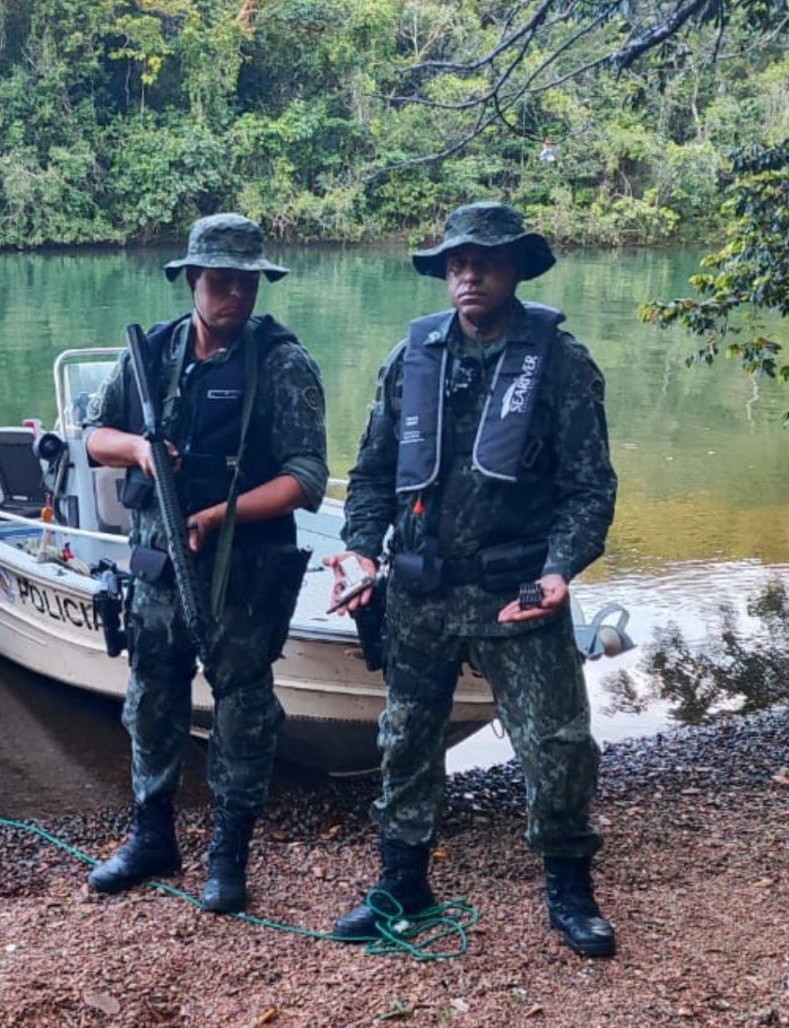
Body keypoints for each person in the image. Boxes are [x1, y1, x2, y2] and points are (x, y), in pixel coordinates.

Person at [325, 201, 618, 957]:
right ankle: (402, 880)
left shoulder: (560, 361)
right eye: (456, 263)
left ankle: (568, 885)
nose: (467, 275)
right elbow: (372, 475)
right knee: (404, 739)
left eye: (483, 261)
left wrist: (560, 571)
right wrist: (359, 550)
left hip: (518, 591)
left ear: (516, 267)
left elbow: (590, 490)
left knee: (556, 743)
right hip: (420, 592)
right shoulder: (411, 356)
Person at [81, 213, 328, 913]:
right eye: (220, 283)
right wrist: (138, 451)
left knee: (244, 714)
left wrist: (225, 514)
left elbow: (307, 478)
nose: (234, 298)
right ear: (192, 280)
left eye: (246, 284)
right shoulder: (151, 354)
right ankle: (152, 836)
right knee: (151, 704)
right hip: (160, 575)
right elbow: (96, 437)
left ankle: (229, 856)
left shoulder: (281, 362)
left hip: (244, 577)